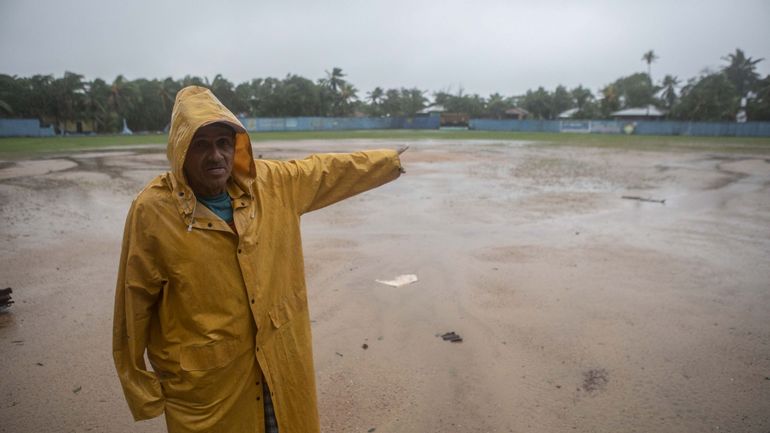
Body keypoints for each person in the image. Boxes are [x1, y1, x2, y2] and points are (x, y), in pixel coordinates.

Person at [112, 86, 406, 433]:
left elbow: (324, 170)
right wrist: (140, 386)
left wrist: (388, 162)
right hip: (209, 385)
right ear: (181, 150)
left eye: (223, 143)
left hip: (278, 359)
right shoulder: (153, 211)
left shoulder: (270, 185)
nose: (216, 155)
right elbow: (134, 301)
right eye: (201, 144)